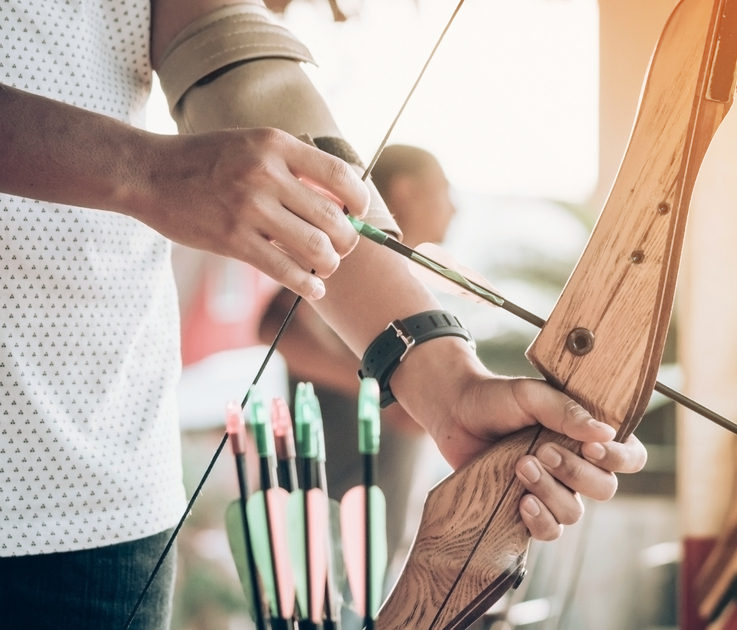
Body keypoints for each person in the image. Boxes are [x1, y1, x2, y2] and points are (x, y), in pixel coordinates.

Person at [0, 1, 647, 628]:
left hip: (100, 489)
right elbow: (275, 316)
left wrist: (446, 385)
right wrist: (143, 169)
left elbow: (218, 40)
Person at [259, 144, 455, 568]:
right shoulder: (343, 265)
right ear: (405, 191)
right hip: (330, 530)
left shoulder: (404, 286)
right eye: (445, 191)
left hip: (375, 535)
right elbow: (277, 327)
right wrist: (390, 389)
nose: (455, 209)